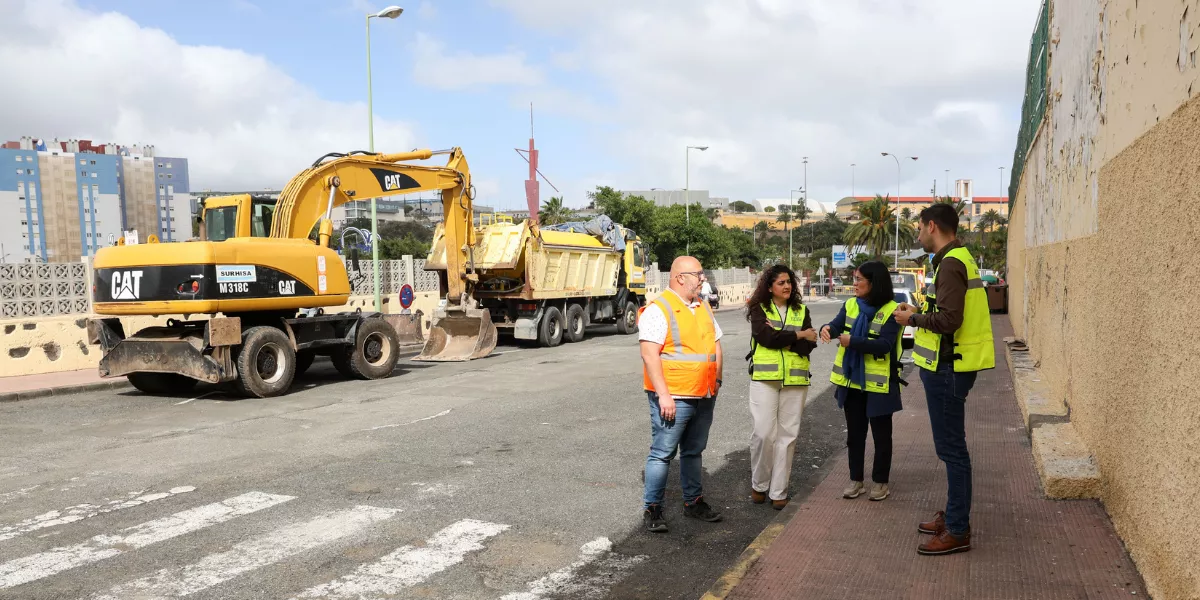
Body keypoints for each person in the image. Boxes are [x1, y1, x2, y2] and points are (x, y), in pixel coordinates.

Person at [894, 203, 995, 556]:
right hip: (950, 366)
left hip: (948, 369)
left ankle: (956, 528)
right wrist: (920, 314)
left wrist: (912, 320)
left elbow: (950, 320)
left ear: (932, 226)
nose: (918, 234)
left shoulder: (950, 264)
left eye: (919, 228)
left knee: (952, 450)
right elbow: (947, 313)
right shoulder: (957, 259)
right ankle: (953, 516)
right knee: (949, 448)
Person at [639, 256, 724, 533]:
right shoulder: (659, 309)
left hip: (704, 393)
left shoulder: (703, 306)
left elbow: (716, 344)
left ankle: (693, 502)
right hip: (674, 397)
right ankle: (653, 509)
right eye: (697, 274)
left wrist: (717, 379)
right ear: (679, 278)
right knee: (662, 453)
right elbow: (649, 355)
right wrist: (663, 395)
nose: (702, 278)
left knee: (693, 451)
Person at [819, 261, 903, 503]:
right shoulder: (851, 304)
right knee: (855, 435)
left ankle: (880, 482)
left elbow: (885, 345)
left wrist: (852, 341)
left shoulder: (892, 310)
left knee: (881, 436)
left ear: (873, 283)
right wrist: (827, 329)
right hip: (852, 383)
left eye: (858, 280)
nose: (854, 284)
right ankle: (856, 480)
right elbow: (836, 326)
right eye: (854, 279)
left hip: (879, 386)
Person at [745, 265, 817, 510]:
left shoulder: (801, 310)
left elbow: (809, 346)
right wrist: (798, 336)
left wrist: (783, 337)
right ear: (769, 287)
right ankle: (759, 484)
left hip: (795, 381)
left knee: (788, 437)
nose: (787, 286)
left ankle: (778, 491)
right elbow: (765, 338)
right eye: (781, 283)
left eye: (789, 282)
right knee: (764, 434)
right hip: (765, 380)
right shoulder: (758, 309)